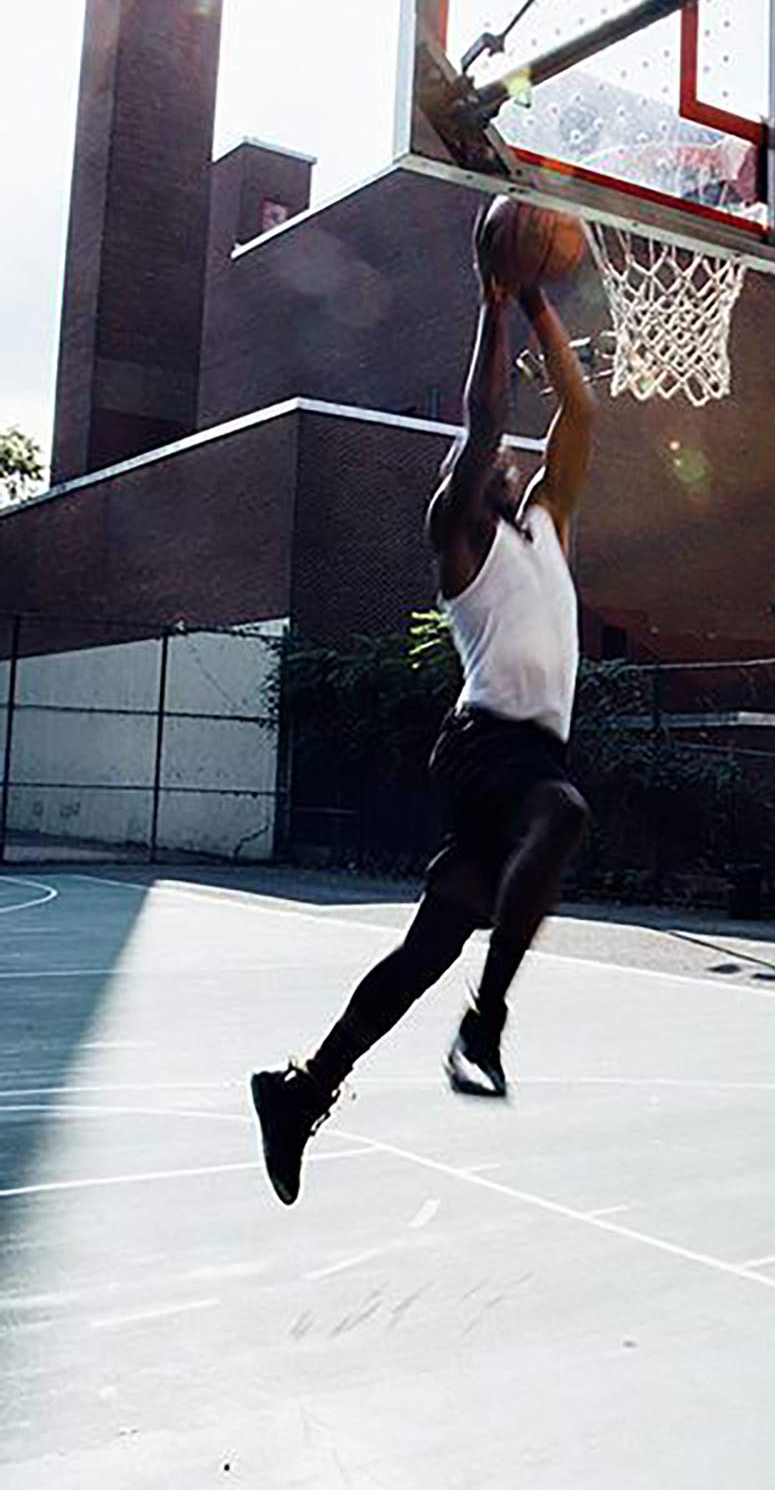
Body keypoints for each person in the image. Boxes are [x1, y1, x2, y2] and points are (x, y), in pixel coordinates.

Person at [250, 214, 596, 1206]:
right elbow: (487, 424)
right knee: (563, 814)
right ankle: (485, 1021)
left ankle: (301, 1089)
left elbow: (577, 414)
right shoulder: (462, 540)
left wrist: (537, 303)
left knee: (427, 944)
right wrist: (495, 306)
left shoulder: (547, 529)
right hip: (491, 747)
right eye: (482, 462)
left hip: (518, 758)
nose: (501, 460)